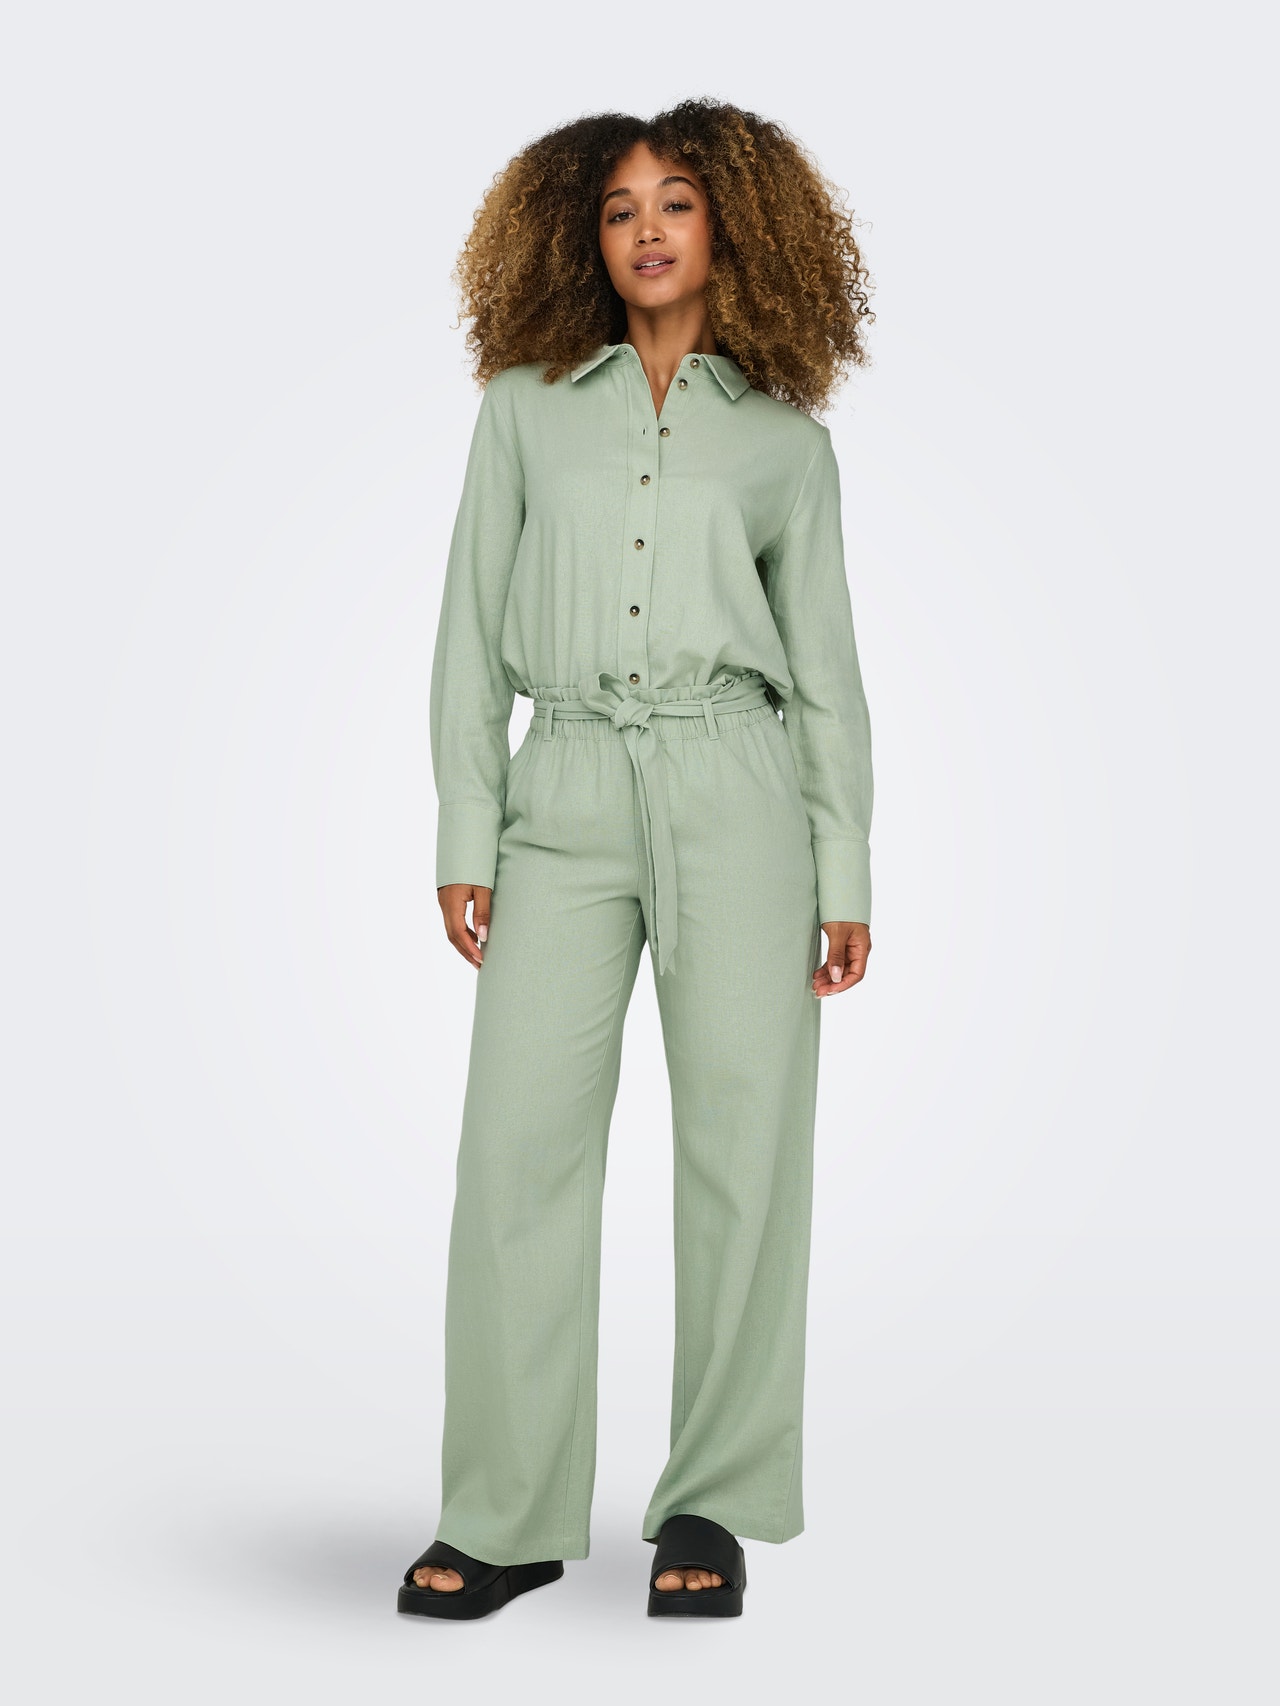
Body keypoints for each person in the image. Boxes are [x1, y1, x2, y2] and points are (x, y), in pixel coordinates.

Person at [398, 97, 876, 1621]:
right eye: (618, 208)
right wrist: (468, 825)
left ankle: (712, 1499)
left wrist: (844, 865)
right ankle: (507, 1509)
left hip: (742, 789)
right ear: (581, 235)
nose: (647, 228)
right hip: (567, 781)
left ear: (734, 224)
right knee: (515, 1150)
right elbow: (468, 635)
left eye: (676, 200)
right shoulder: (523, 409)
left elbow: (825, 674)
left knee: (746, 1151)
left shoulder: (787, 444)